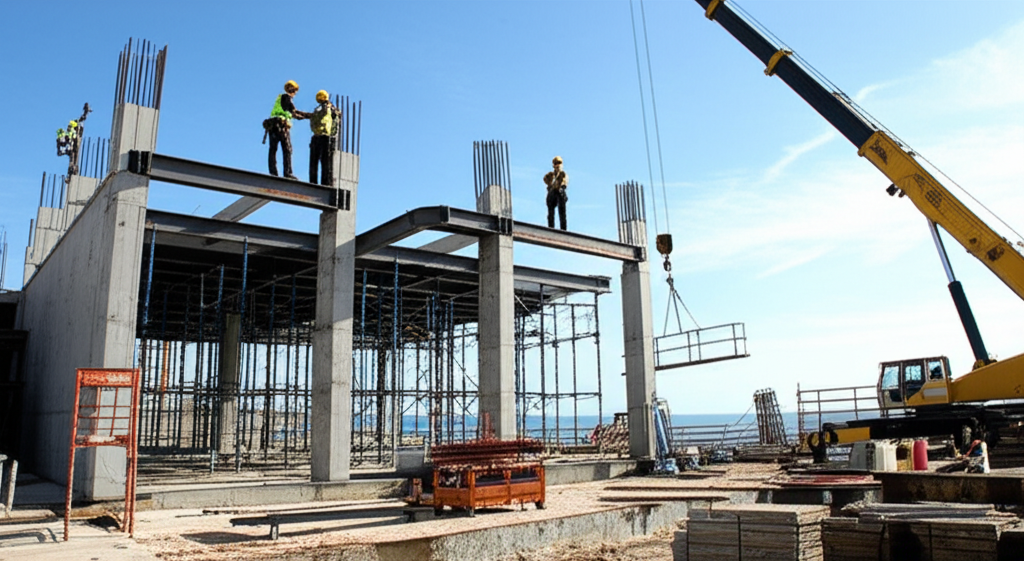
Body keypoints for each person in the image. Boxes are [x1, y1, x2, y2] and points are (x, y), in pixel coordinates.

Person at [263, 80, 308, 179]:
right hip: (281, 126)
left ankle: (273, 172)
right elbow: (294, 112)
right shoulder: (286, 97)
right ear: (292, 89)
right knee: (287, 149)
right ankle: (288, 173)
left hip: (272, 125)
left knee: (273, 149)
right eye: (295, 91)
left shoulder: (280, 98)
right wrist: (309, 116)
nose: (295, 93)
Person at [308, 90, 340, 185]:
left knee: (323, 162)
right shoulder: (324, 109)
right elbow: (336, 123)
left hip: (323, 137)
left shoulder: (327, 109)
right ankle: (321, 182)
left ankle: (319, 182)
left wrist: (333, 135)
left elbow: (335, 122)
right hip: (322, 136)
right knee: (322, 162)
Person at [543, 156, 568, 230]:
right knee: (551, 212)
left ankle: (563, 228)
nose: (558, 165)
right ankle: (551, 227)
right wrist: (549, 185)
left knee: (562, 210)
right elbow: (545, 179)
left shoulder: (562, 174)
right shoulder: (550, 175)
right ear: (554, 165)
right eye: (556, 163)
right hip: (552, 194)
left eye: (559, 163)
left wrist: (562, 187)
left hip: (559, 194)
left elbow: (564, 182)